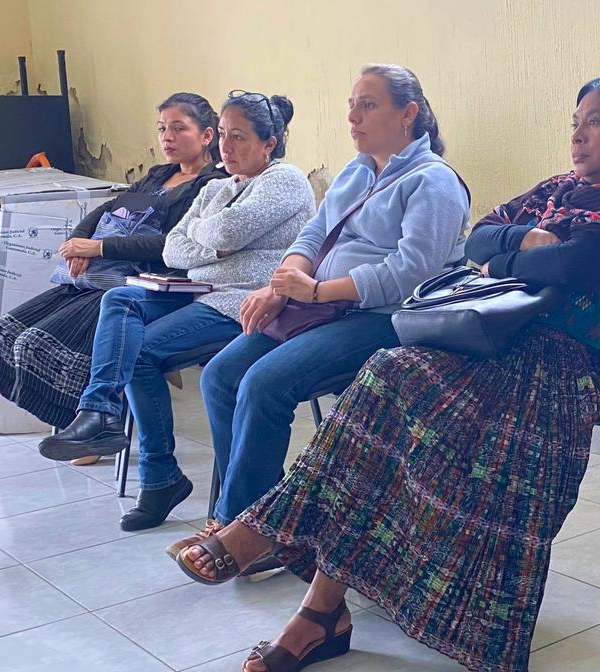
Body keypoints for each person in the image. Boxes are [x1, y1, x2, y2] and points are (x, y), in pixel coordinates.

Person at [173, 74, 600, 672]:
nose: (577, 135)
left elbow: (573, 266)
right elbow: (481, 241)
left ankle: (297, 575)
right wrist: (526, 241)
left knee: (415, 398)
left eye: (595, 122)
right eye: (575, 122)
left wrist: (513, 254)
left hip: (571, 366)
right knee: (389, 375)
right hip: (504, 343)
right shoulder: (561, 189)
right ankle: (315, 602)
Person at [167, 65, 469, 555]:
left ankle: (246, 535)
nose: (352, 117)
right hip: (318, 307)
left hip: (382, 318)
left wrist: (316, 292)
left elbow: (411, 272)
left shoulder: (433, 181)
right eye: (351, 105)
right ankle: (250, 518)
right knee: (220, 376)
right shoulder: (358, 171)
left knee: (264, 384)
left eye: (367, 105)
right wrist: (281, 286)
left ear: (408, 114)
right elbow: (313, 235)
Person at [37, 91, 316, 532]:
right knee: (119, 299)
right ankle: (100, 411)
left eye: (238, 137)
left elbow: (227, 231)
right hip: (198, 289)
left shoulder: (285, 180)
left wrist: (208, 238)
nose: (226, 147)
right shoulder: (219, 186)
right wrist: (214, 245)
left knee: (140, 353)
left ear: (269, 143)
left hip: (245, 299)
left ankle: (158, 478)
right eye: (222, 135)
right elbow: (173, 248)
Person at [0, 93, 225, 437]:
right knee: (2, 334)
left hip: (145, 283)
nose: (167, 137)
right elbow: (107, 211)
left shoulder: (210, 186)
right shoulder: (158, 175)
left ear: (206, 135)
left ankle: (88, 426)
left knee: (36, 344)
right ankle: (80, 424)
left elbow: (171, 245)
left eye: (178, 128)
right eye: (161, 129)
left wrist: (99, 247)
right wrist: (79, 243)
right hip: (102, 275)